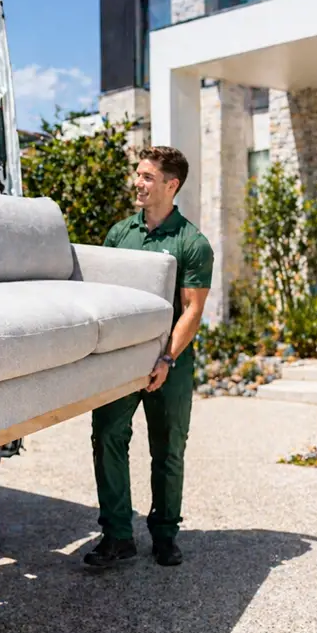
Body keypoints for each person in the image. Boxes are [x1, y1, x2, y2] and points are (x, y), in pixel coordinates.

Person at [84, 145, 213, 569]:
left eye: (147, 177)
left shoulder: (191, 242)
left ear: (171, 185)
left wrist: (166, 359)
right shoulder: (121, 235)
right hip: (122, 361)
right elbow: (103, 297)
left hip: (169, 363)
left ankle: (164, 535)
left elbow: (192, 309)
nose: (137, 183)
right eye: (137, 175)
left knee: (168, 448)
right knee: (107, 437)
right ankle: (118, 534)